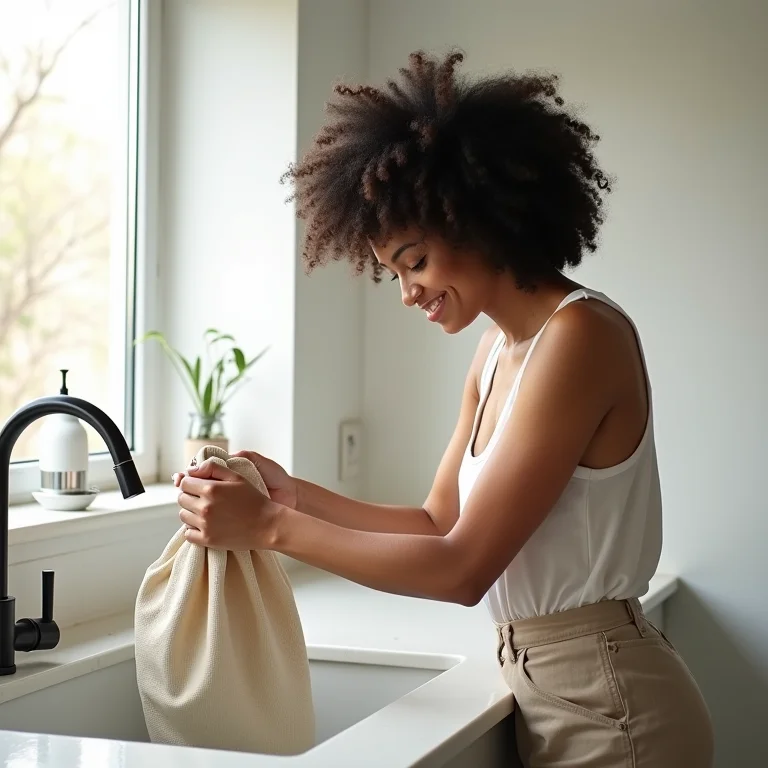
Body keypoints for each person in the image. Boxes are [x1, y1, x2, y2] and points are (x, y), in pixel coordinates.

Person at [174, 50, 714, 767]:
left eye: (415, 261)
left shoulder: (580, 337)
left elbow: (462, 570)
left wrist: (271, 527)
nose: (407, 293)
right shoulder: (495, 353)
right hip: (553, 689)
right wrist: (293, 494)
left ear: (481, 220)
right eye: (393, 272)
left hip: (615, 708)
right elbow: (438, 522)